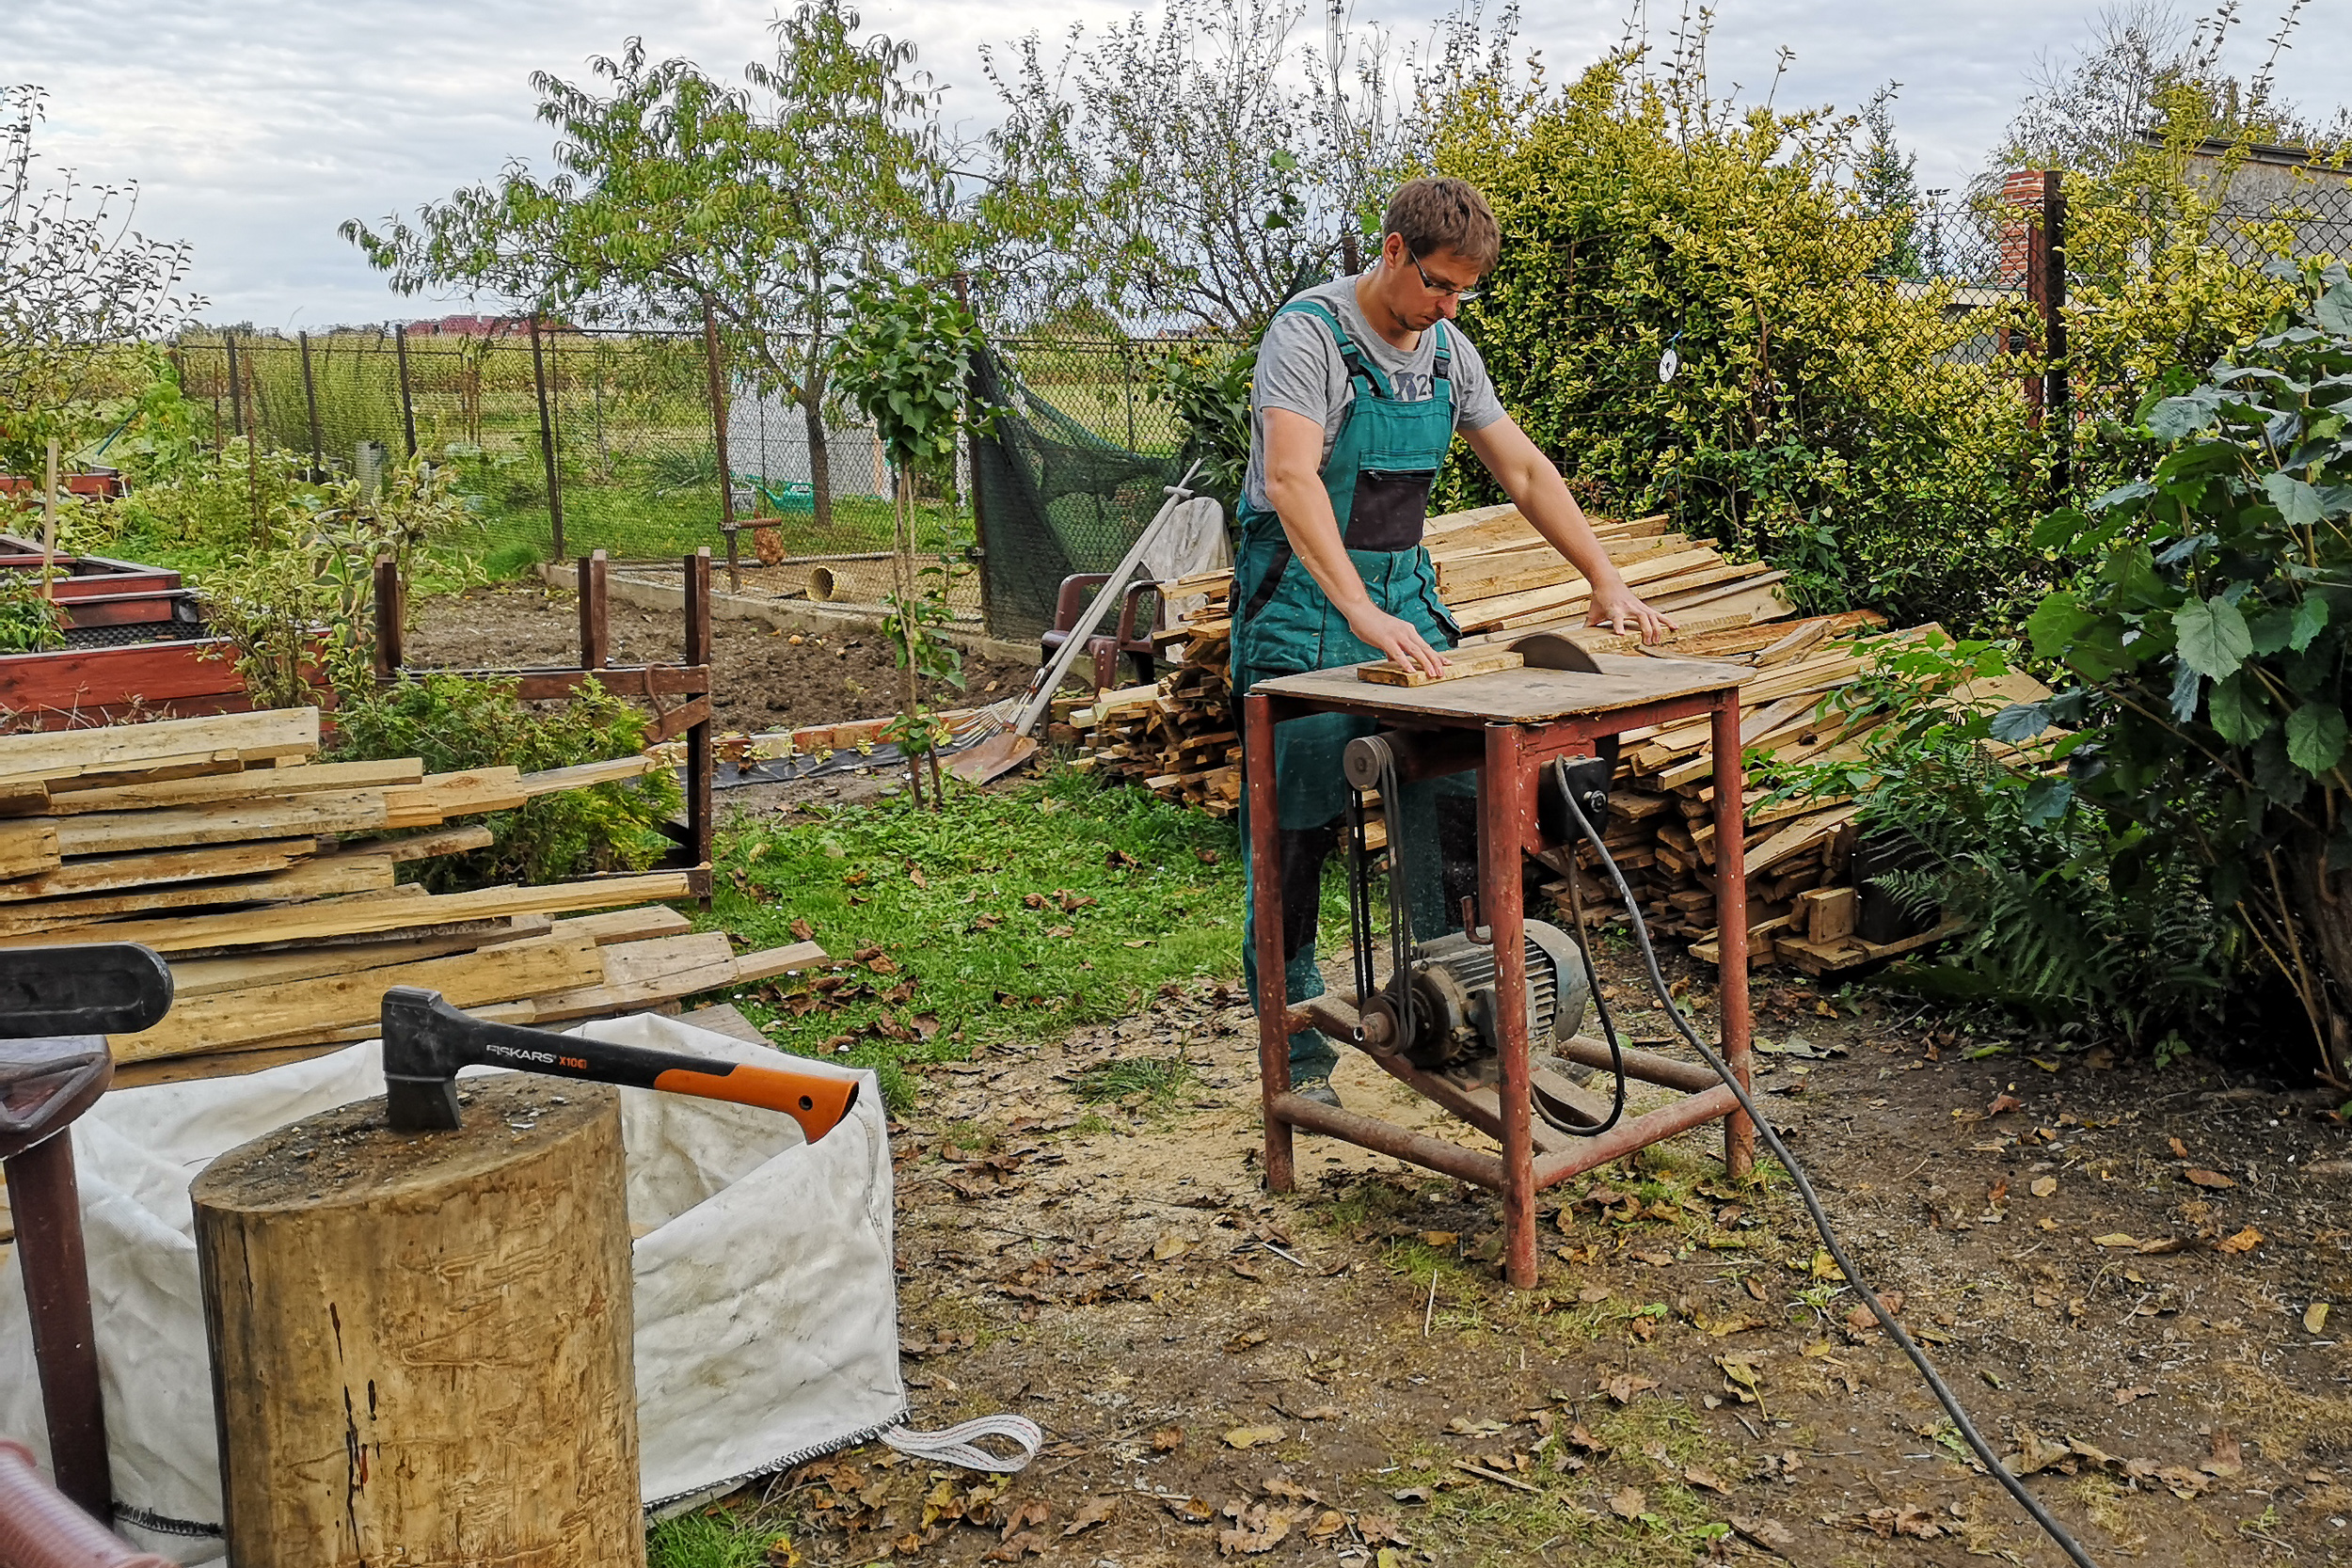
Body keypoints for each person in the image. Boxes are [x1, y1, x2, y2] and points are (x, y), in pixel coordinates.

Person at [1234, 174, 1676, 1111]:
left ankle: (1458, 1019)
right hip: (1301, 610)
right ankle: (1299, 1066)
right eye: (1438, 284)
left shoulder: (1447, 351)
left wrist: (1604, 576)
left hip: (1406, 601)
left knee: (1458, 804)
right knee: (1294, 841)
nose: (1448, 307)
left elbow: (1524, 469)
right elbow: (1291, 478)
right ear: (1392, 249)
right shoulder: (1307, 337)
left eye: (1464, 293)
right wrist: (1359, 612)